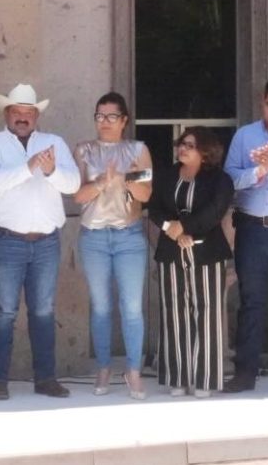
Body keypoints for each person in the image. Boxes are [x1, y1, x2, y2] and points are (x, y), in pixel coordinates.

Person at [0, 83, 80, 401]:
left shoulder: (54, 142)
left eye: (28, 112)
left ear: (36, 115)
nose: (23, 117)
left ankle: (45, 378)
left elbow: (73, 182)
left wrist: (49, 171)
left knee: (44, 311)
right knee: (4, 311)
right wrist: (28, 167)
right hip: (5, 240)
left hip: (46, 241)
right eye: (17, 112)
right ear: (6, 113)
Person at [72, 92, 153, 400]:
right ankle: (103, 367)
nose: (104, 123)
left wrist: (126, 177)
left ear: (124, 120)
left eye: (110, 117)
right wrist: (102, 183)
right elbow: (77, 196)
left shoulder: (137, 150)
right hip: (93, 236)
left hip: (128, 235)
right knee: (101, 306)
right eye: (99, 116)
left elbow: (145, 195)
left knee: (132, 307)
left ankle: (133, 370)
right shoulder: (83, 150)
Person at [147, 127, 233, 397]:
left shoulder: (220, 179)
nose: (182, 148)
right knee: (174, 311)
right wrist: (169, 228)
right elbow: (154, 207)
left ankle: (204, 378)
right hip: (171, 251)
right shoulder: (166, 174)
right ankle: (177, 378)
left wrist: (184, 228)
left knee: (207, 313)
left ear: (206, 151)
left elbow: (215, 211)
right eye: (182, 143)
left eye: (190, 145)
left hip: (207, 251)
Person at [223, 78, 268, 393]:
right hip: (252, 228)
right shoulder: (245, 135)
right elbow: (229, 180)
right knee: (252, 302)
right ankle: (245, 372)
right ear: (262, 102)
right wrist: (259, 172)